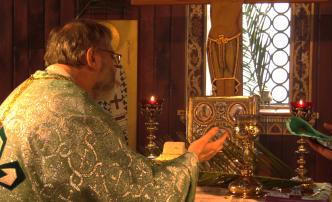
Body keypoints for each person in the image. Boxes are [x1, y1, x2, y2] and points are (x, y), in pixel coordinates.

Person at [0, 19, 228, 201]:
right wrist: (193, 158)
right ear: (92, 57)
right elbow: (127, 191)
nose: (116, 66)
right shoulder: (74, 111)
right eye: (113, 56)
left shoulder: (23, 94)